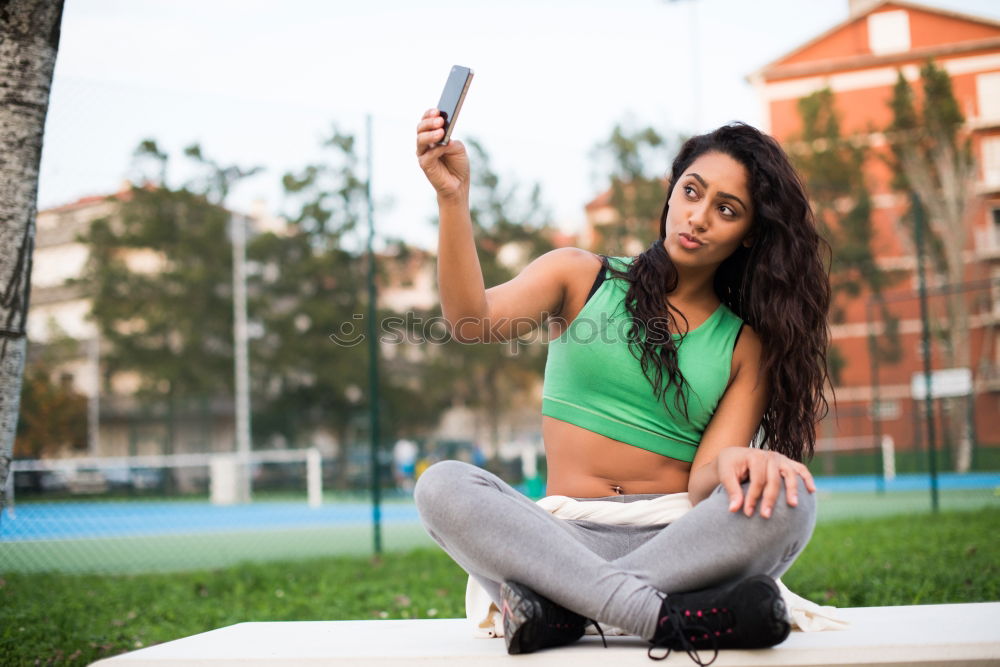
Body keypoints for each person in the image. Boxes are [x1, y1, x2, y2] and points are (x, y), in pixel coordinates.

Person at [412, 109, 831, 664]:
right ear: (672, 191)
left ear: (749, 233)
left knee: (792, 501)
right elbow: (470, 320)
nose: (698, 217)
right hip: (558, 541)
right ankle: (662, 617)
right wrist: (452, 199)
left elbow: (707, 480)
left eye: (725, 210)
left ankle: (564, 611)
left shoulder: (745, 345)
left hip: (677, 542)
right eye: (692, 192)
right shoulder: (580, 276)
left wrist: (742, 464)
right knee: (441, 485)